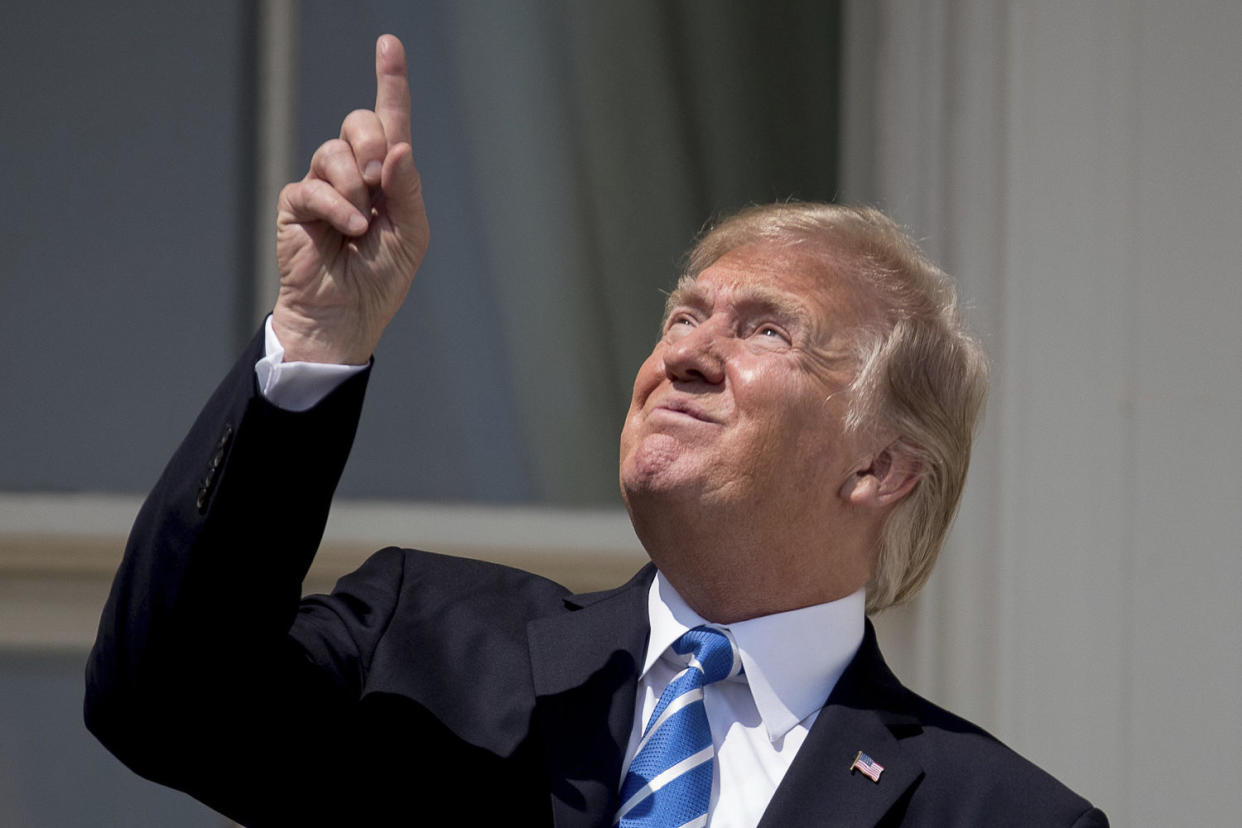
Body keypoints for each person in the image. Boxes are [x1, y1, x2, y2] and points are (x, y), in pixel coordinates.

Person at [86, 34, 1108, 827]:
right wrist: (317, 339)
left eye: (766, 330)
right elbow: (163, 705)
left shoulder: (996, 812)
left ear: (880, 464)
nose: (688, 353)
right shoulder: (426, 645)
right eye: (682, 316)